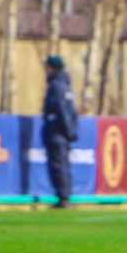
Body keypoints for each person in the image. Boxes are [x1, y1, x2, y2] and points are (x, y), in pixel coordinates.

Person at [42, 55, 79, 208]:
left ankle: (63, 197)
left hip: (57, 132)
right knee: (63, 163)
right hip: (63, 132)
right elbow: (72, 112)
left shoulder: (56, 86)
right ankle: (65, 195)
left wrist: (66, 130)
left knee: (58, 164)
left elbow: (61, 110)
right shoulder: (66, 86)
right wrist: (71, 131)